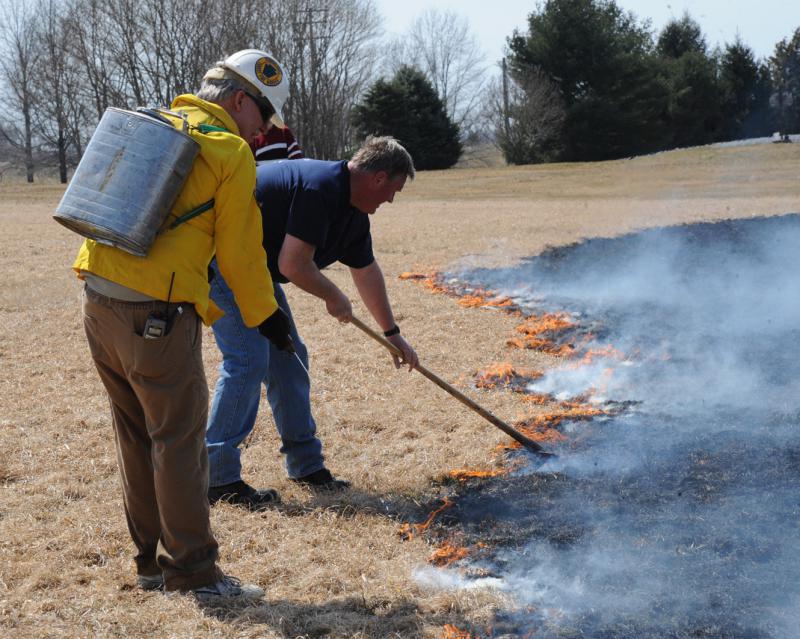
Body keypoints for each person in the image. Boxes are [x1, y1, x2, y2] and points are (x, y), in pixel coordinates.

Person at [72, 49, 294, 599]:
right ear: (241, 100)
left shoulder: (153, 120)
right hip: (158, 316)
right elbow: (242, 254)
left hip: (98, 301)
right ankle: (194, 574)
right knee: (178, 442)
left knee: (135, 438)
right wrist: (268, 318)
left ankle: (149, 567)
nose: (263, 132)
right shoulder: (229, 152)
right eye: (263, 119)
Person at [206, 136, 419, 508]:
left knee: (289, 357)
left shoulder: (353, 211)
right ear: (379, 178)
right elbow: (293, 264)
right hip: (220, 258)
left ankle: (305, 466)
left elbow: (365, 270)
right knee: (248, 358)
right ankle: (216, 477)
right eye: (394, 191)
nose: (390, 200)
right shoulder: (320, 187)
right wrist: (333, 296)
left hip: (252, 268)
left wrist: (392, 334)